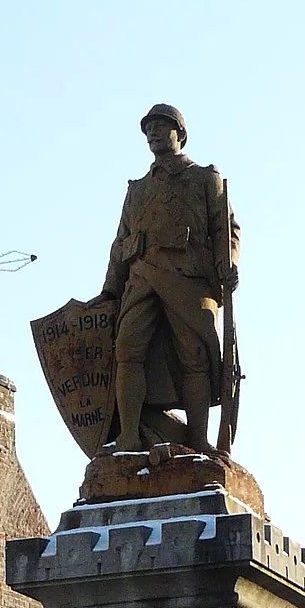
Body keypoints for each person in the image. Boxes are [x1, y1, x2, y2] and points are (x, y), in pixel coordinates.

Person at [101, 104, 239, 459]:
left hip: (187, 278)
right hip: (142, 276)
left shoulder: (203, 179)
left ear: (180, 133)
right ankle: (129, 436)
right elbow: (120, 241)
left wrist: (228, 265)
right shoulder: (138, 189)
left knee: (194, 358)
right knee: (127, 350)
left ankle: (197, 440)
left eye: (162, 127)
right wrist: (109, 290)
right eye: (149, 129)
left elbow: (227, 231)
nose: (153, 134)